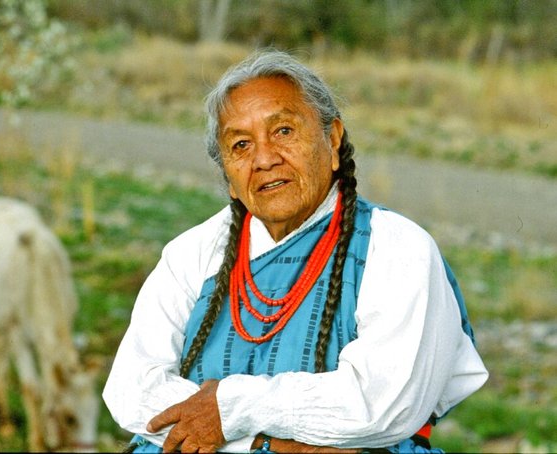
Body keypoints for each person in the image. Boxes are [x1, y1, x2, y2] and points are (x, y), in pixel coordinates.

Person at [103, 50, 488, 453]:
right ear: (229, 179)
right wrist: (261, 442)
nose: (265, 158)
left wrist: (232, 411)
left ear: (333, 138)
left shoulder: (396, 248)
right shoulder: (192, 253)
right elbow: (132, 391)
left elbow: (382, 405)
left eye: (284, 131)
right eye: (241, 144)